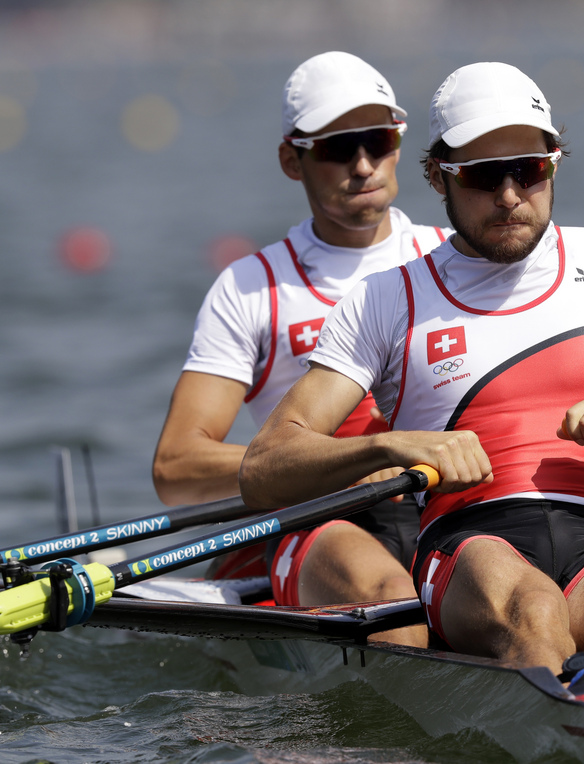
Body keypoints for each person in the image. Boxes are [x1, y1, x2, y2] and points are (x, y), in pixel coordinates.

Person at [238, 62, 584, 675]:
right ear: (436, 177)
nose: (507, 196)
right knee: (533, 611)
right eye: (481, 175)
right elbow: (265, 469)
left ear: (554, 162)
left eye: (526, 171)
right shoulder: (387, 300)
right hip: (472, 542)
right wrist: (391, 447)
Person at [152, 52, 449, 646]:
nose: (364, 164)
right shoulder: (250, 287)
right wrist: (343, 465)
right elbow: (177, 468)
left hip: (450, 505)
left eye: (379, 139)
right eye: (340, 148)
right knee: (396, 605)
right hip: (317, 520)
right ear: (293, 160)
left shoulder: (454, 257)